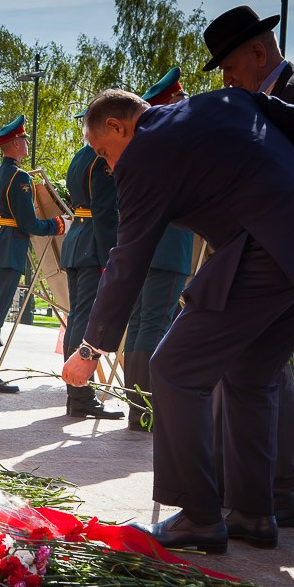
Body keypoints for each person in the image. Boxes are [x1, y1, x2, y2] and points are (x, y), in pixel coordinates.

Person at [62, 88, 294, 553]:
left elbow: (129, 256)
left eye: (103, 152)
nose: (109, 166)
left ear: (118, 126)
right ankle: (253, 513)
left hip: (271, 249)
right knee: (250, 376)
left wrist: (91, 348)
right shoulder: (225, 100)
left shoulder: (142, 155)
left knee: (175, 368)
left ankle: (198, 516)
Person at [204, 5, 294, 516]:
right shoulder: (279, 94)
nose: (227, 80)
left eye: (228, 68)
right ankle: (250, 483)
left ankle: (285, 489)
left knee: (284, 370)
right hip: (282, 254)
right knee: (262, 368)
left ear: (259, 54)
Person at [122, 68, 194, 429]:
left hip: (146, 249)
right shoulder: (178, 144)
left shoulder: (142, 147)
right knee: (155, 325)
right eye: (180, 100)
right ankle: (148, 410)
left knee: (140, 324)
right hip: (170, 249)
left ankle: (137, 407)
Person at [0, 115, 68, 393]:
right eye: (24, 139)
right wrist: (55, 224)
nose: (27, 143)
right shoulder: (18, 178)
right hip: (9, 249)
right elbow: (29, 223)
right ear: (15, 143)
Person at [59, 110, 124, 420]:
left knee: (77, 318)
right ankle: (81, 395)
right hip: (93, 245)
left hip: (77, 242)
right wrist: (111, 252)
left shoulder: (79, 157)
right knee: (83, 320)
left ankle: (77, 395)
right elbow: (106, 211)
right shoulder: (100, 160)